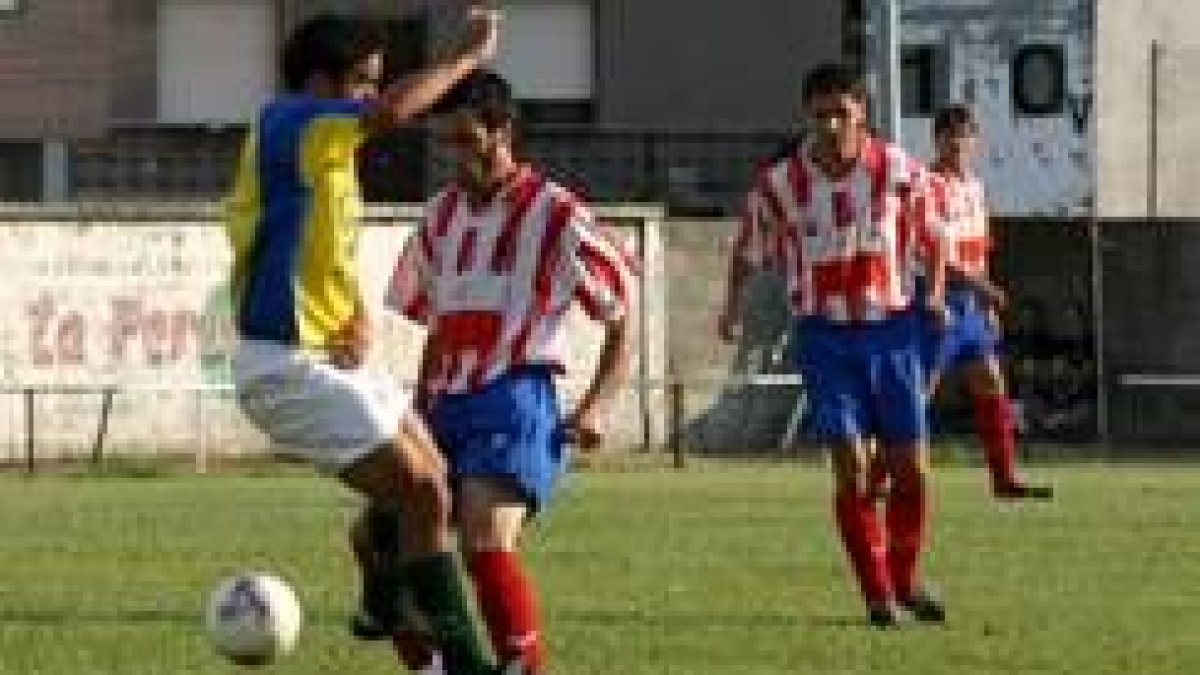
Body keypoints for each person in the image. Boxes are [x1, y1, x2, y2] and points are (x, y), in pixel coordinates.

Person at [223, 10, 517, 674]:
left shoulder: (327, 154)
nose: (369, 95)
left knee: (434, 477)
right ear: (320, 82)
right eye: (361, 81)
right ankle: (466, 664)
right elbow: (387, 114)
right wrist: (465, 59)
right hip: (284, 365)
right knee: (418, 491)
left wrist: (354, 312)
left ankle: (385, 597)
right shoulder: (287, 121)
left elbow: (316, 250)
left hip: (331, 354)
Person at [385, 70, 633, 673]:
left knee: (483, 539)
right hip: (445, 404)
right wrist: (418, 410)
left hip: (515, 397)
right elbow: (438, 326)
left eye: (467, 140)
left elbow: (620, 312)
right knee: (383, 546)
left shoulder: (555, 213)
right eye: (446, 142)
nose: (456, 156)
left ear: (503, 131)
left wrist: (598, 404)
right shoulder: (439, 217)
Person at [718, 62, 947, 627]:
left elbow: (935, 232)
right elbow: (748, 246)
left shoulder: (896, 169)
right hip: (824, 336)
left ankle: (903, 575)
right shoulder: (781, 184)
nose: (829, 125)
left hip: (892, 330)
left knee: (910, 468)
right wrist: (730, 306)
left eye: (840, 113)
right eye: (819, 115)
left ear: (860, 111)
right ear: (807, 116)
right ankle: (877, 597)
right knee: (849, 463)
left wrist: (936, 292)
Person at [922, 104, 1053, 499]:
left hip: (972, 309)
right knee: (916, 393)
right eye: (949, 135)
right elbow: (934, 255)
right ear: (938, 140)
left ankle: (1004, 481)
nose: (957, 142)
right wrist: (984, 290)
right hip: (939, 301)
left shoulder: (976, 187)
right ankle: (878, 479)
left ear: (975, 141)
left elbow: (980, 250)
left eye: (964, 135)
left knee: (991, 384)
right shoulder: (929, 186)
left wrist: (988, 305)